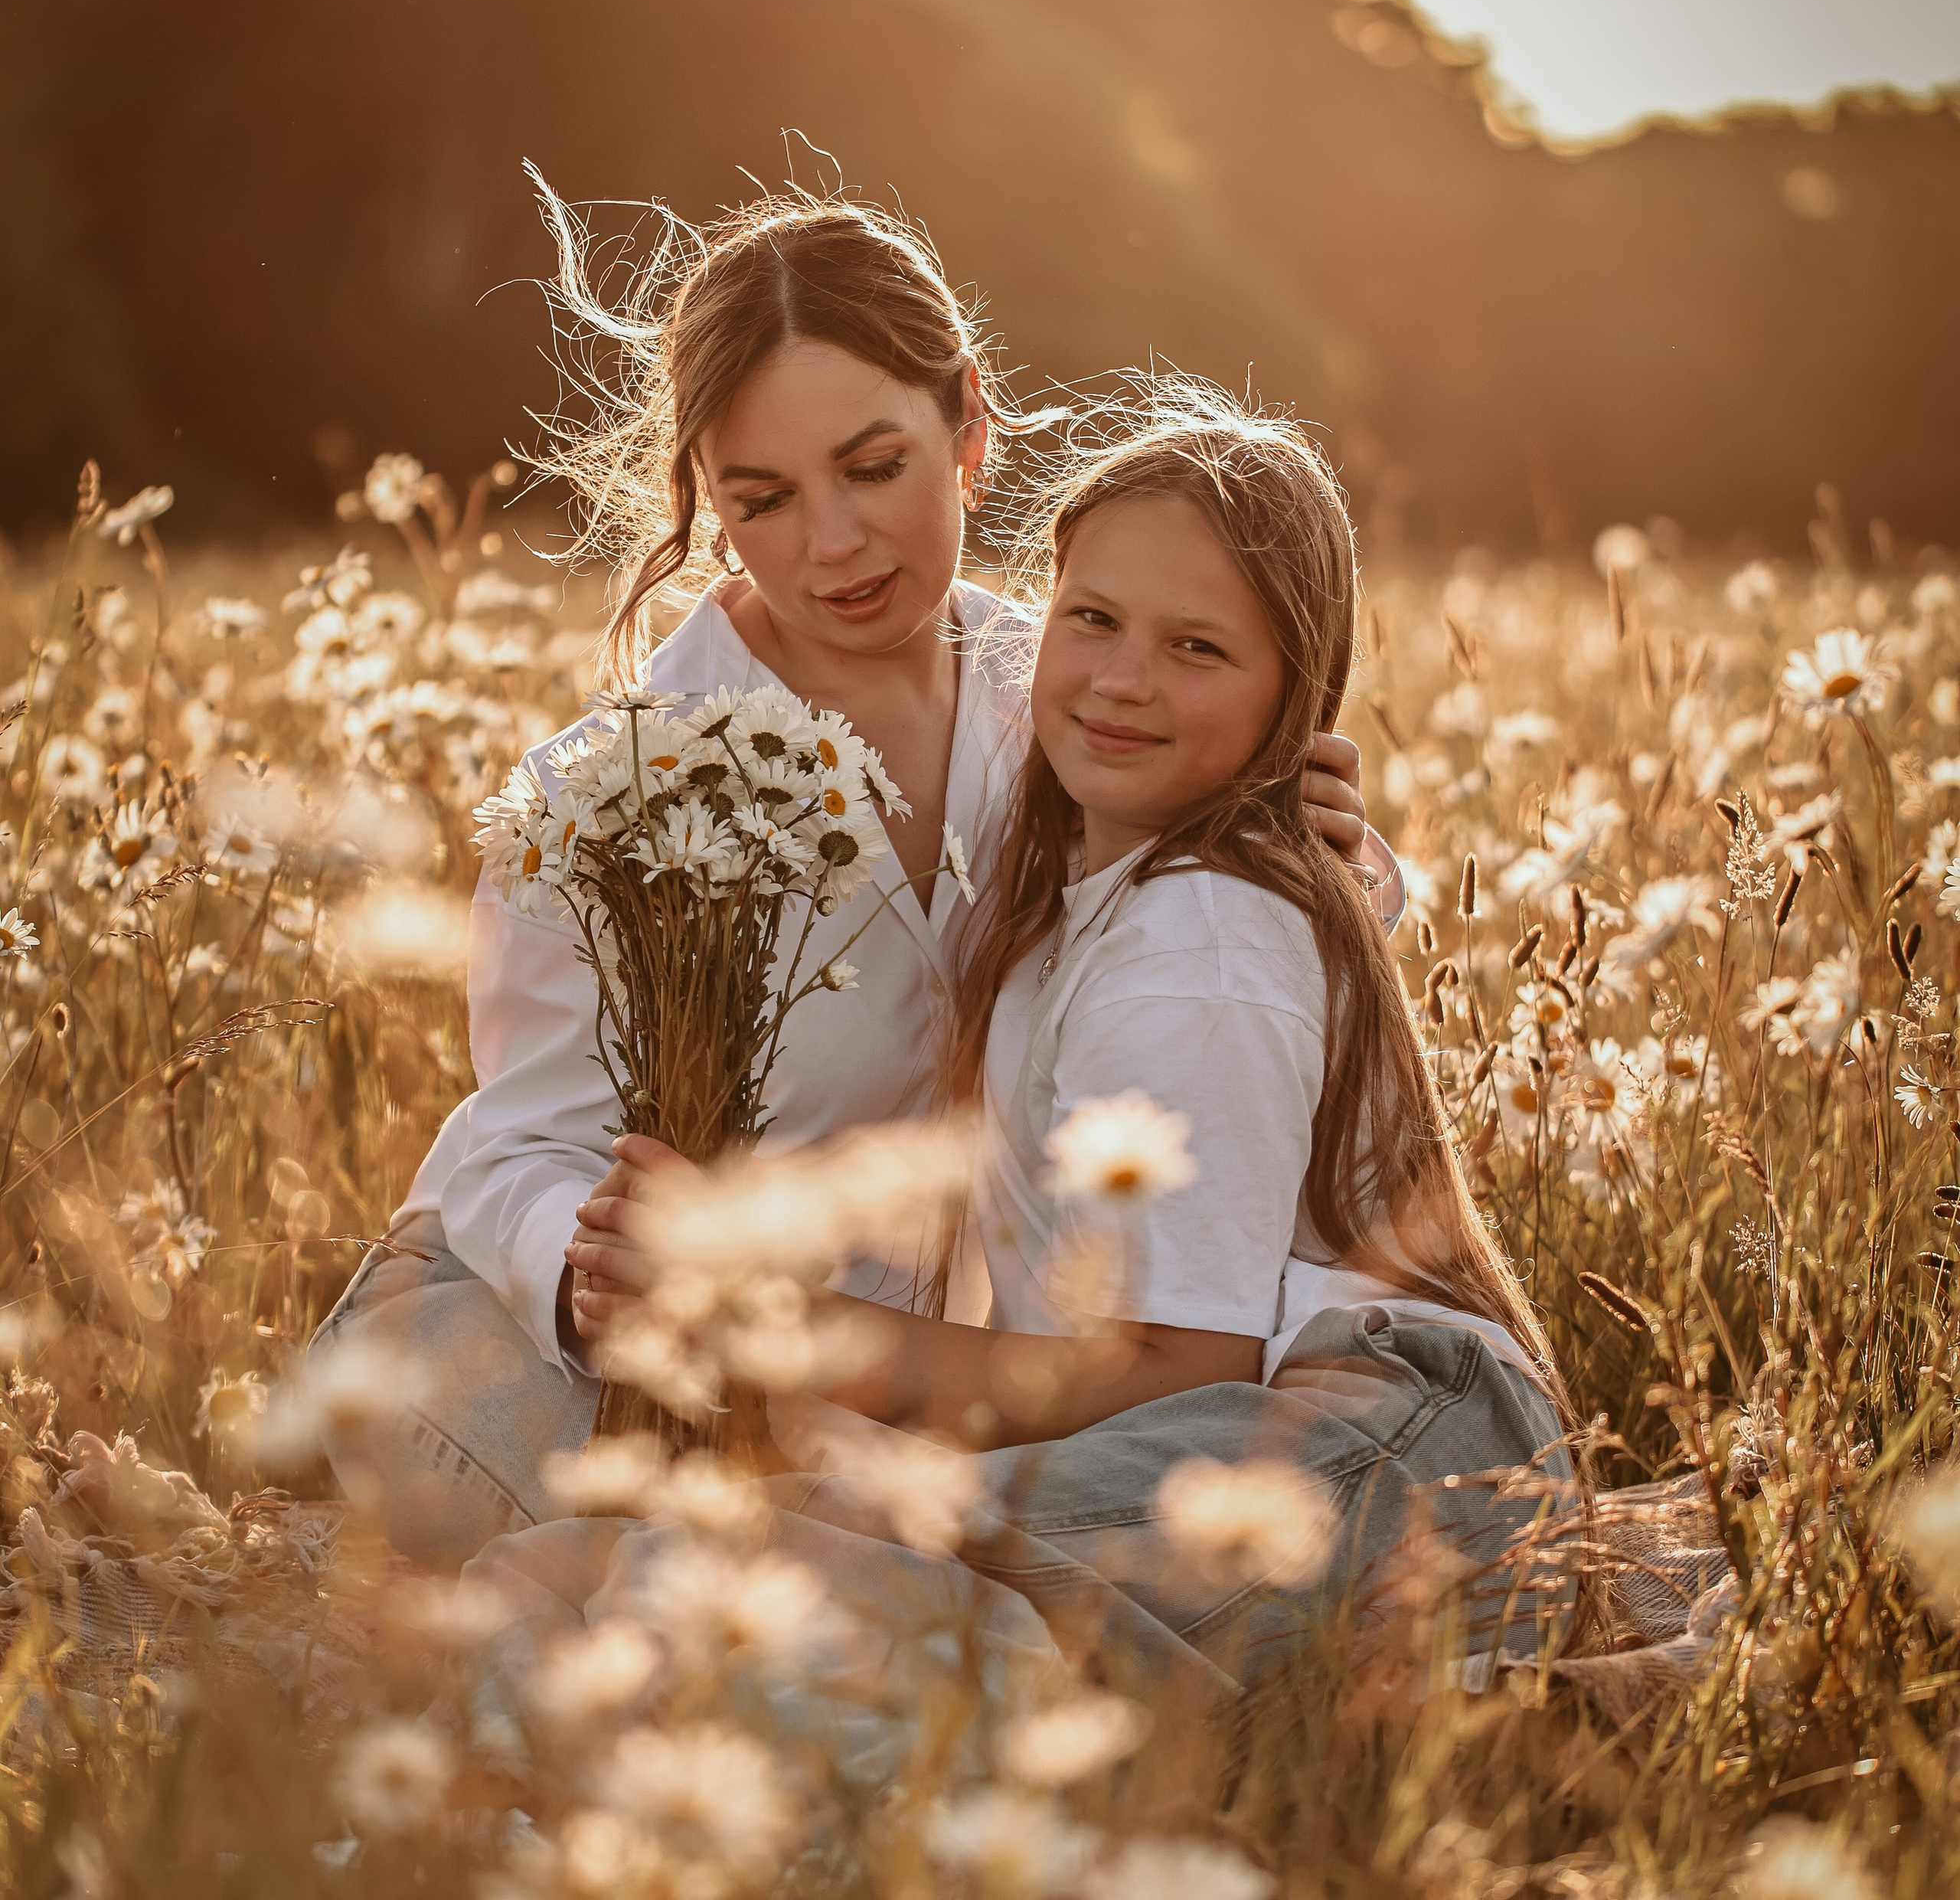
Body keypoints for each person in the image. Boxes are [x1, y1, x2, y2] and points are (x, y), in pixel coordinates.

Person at [308, 185, 1403, 1562]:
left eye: (874, 468)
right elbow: (517, 1145)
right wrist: (585, 1283)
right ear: (709, 505)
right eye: (762, 499)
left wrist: (1306, 847)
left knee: (823, 1581)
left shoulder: (1081, 691)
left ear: (971, 427)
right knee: (646, 1577)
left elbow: (1211, 975)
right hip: (533, 1341)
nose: (832, 545)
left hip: (884, 1384)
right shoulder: (616, 788)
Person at [488, 384, 1580, 1715]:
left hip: (1394, 1452)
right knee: (715, 1569)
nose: (1123, 680)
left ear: (1296, 696)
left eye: (1197, 648)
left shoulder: (1197, 936)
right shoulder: (1079, 882)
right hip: (1240, 1431)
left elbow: (1185, 1369)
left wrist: (780, 1325)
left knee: (751, 1586)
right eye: (1094, 620)